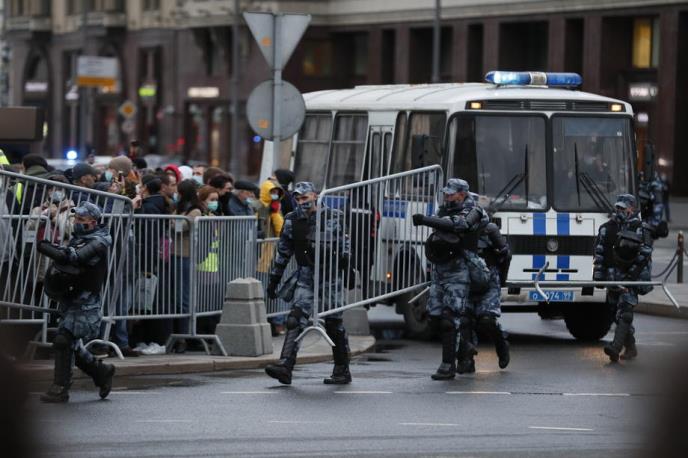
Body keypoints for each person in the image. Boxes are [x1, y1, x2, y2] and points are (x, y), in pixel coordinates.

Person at [264, 182, 354, 385]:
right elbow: (283, 252)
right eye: (297, 199)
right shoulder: (292, 220)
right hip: (306, 275)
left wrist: (347, 266)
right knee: (295, 319)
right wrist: (274, 280)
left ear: (315, 196)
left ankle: (342, 369)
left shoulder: (334, 216)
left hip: (331, 276)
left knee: (334, 323)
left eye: (305, 198)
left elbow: (345, 244)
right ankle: (285, 366)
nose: (301, 202)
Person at [37, 201, 115, 402]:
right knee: (69, 344)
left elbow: (77, 258)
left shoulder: (100, 241)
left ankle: (60, 388)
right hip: (71, 298)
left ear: (93, 222)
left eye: (81, 219)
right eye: (76, 218)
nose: (77, 221)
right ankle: (101, 372)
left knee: (63, 340)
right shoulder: (79, 238)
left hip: (86, 304)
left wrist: (55, 251)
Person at [412, 178, 489, 380]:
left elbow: (460, 225)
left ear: (462, 194)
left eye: (451, 193)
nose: (447, 196)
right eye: (446, 193)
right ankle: (465, 348)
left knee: (450, 319)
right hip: (440, 269)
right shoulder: (444, 209)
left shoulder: (474, 210)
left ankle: (448, 366)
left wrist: (426, 220)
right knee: (434, 317)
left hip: (459, 270)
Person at [593, 194, 653, 362]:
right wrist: (598, 276)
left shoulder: (641, 229)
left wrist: (631, 277)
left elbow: (644, 254)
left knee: (625, 312)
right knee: (615, 312)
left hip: (631, 278)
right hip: (613, 277)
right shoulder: (606, 228)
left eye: (623, 208)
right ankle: (631, 347)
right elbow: (600, 253)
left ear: (632, 208)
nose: (619, 210)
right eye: (618, 207)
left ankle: (615, 347)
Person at [461, 198, 512, 373]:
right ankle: (466, 359)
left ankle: (501, 344)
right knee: (464, 320)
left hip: (489, 278)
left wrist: (500, 280)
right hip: (465, 279)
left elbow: (505, 256)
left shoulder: (490, 230)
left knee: (486, 320)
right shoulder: (457, 229)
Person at [169, 179, 203, 353]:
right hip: (175, 254)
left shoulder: (195, 210)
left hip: (186, 256)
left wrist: (173, 220)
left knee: (184, 297)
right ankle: (180, 335)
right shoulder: (181, 209)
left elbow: (179, 227)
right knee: (177, 296)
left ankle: (184, 336)